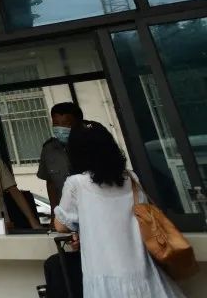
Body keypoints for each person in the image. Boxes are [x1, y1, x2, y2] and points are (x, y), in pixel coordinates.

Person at [54, 122, 187, 298]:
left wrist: (81, 229)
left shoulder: (75, 183)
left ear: (75, 152)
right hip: (144, 272)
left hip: (104, 275)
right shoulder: (130, 178)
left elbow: (61, 225)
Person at [39, 103, 85, 298]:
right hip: (67, 220)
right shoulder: (49, 148)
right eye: (56, 123)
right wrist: (54, 212)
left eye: (65, 124)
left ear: (77, 122)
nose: (60, 129)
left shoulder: (90, 145)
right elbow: (50, 183)